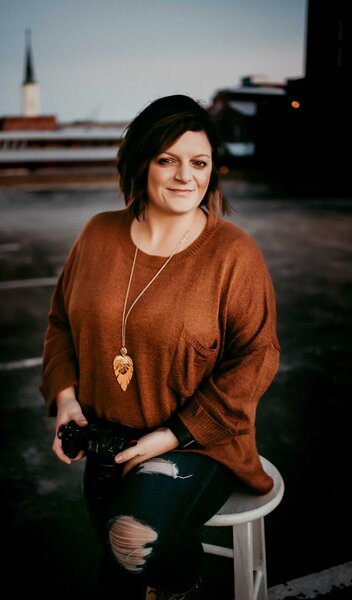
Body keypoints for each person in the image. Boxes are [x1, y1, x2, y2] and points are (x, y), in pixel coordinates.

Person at [40, 94, 280, 600]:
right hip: (107, 444)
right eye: (166, 159)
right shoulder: (97, 234)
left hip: (198, 444)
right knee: (128, 559)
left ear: (213, 171)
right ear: (140, 162)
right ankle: (172, 579)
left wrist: (170, 436)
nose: (184, 176)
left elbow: (257, 358)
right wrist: (65, 398)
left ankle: (173, 576)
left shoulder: (233, 253)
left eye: (199, 162)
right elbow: (61, 321)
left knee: (130, 543)